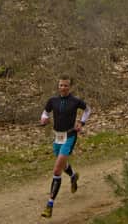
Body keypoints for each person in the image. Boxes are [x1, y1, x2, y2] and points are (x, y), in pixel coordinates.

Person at [39, 74, 91, 218]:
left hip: (70, 136)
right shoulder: (52, 101)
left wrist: (81, 122)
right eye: (61, 85)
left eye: (66, 85)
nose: (63, 88)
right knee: (62, 165)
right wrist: (44, 118)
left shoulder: (75, 101)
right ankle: (73, 176)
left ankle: (49, 205)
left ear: (70, 87)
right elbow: (45, 112)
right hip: (57, 137)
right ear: (58, 86)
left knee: (57, 170)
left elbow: (88, 110)